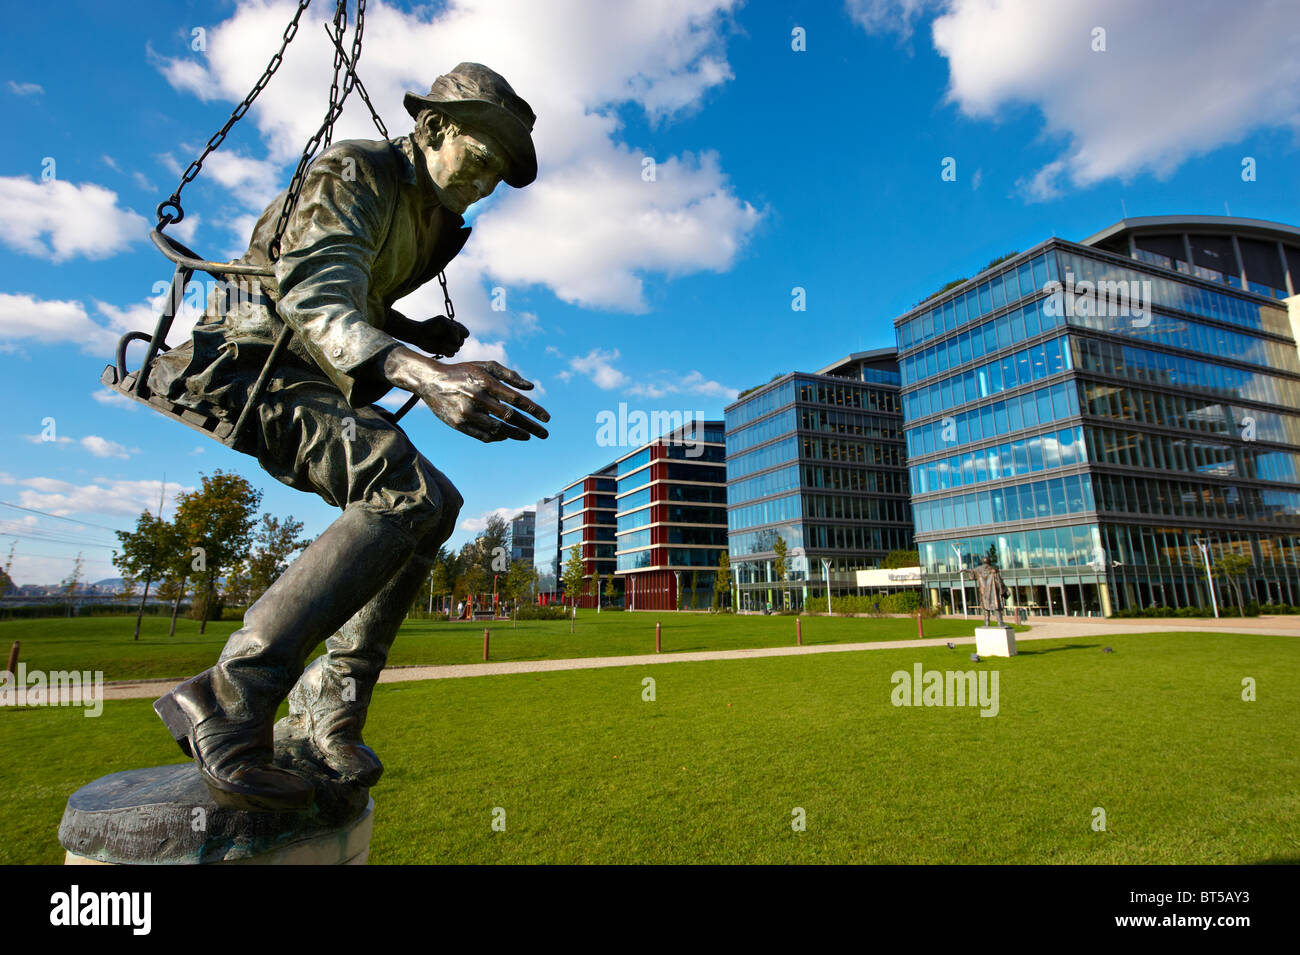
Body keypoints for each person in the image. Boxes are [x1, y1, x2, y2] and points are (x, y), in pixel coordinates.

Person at [149, 63, 546, 811]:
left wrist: (412, 329)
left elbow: (356, 288)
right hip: (250, 361)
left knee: (438, 500)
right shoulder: (354, 169)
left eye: (501, 173)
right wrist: (425, 373)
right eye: (481, 157)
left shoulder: (431, 219)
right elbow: (313, 287)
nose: (487, 182)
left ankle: (327, 708)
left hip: (310, 369)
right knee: (405, 488)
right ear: (430, 129)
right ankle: (228, 700)